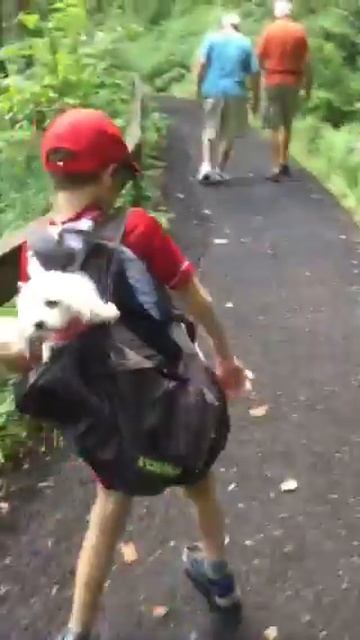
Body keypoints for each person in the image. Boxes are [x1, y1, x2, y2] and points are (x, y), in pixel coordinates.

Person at [5, 108, 250, 640]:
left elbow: (42, 340)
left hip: (104, 411)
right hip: (163, 393)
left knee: (110, 501)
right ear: (110, 176)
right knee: (198, 478)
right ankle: (218, 575)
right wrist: (224, 355)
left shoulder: (34, 249)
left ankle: (78, 628)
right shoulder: (135, 228)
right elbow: (194, 298)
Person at [195, 12, 260, 183]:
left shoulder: (212, 39)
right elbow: (254, 72)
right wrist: (256, 97)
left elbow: (202, 64)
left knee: (210, 128)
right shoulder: (245, 42)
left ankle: (206, 165)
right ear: (238, 26)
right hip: (236, 92)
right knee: (228, 134)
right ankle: (218, 170)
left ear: (223, 25)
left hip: (213, 89)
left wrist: (199, 85)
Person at [257, 0, 312, 181]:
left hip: (272, 79)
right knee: (287, 124)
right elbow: (306, 62)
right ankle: (284, 160)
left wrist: (261, 76)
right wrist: (307, 86)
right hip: (293, 80)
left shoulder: (269, 30)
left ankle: (275, 166)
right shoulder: (300, 31)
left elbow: (259, 56)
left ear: (276, 12)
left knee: (274, 125)